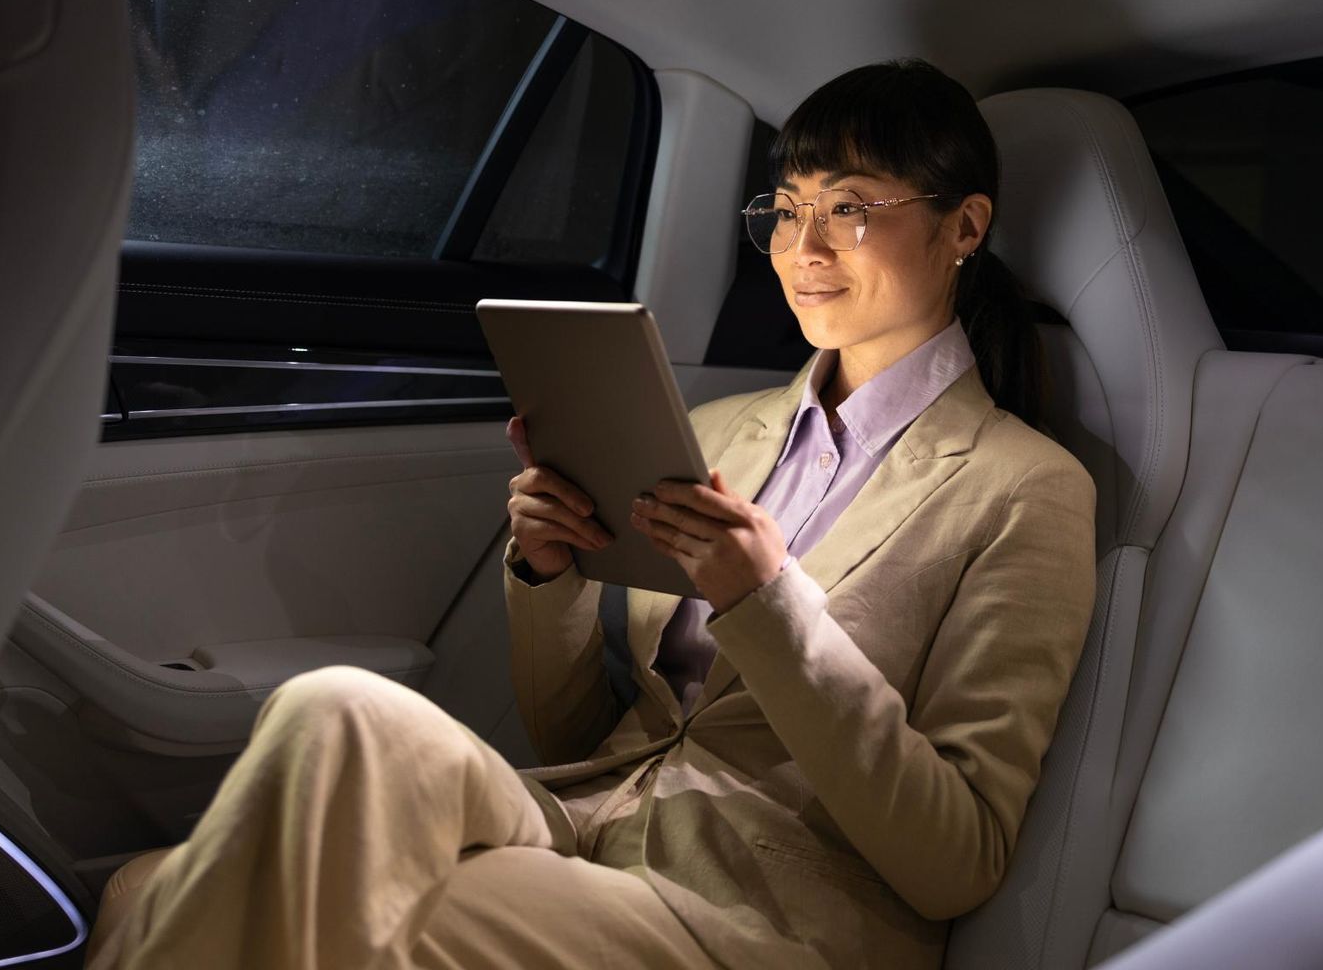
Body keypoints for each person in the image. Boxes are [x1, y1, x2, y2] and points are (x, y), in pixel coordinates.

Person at [85, 58, 1097, 969]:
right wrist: (550, 569)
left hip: (757, 915)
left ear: (964, 225)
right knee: (333, 704)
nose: (805, 246)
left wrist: (771, 603)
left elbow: (957, 858)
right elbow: (575, 725)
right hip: (579, 815)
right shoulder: (715, 430)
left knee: (173, 902)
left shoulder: (1025, 488)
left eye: (850, 207)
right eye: (786, 210)